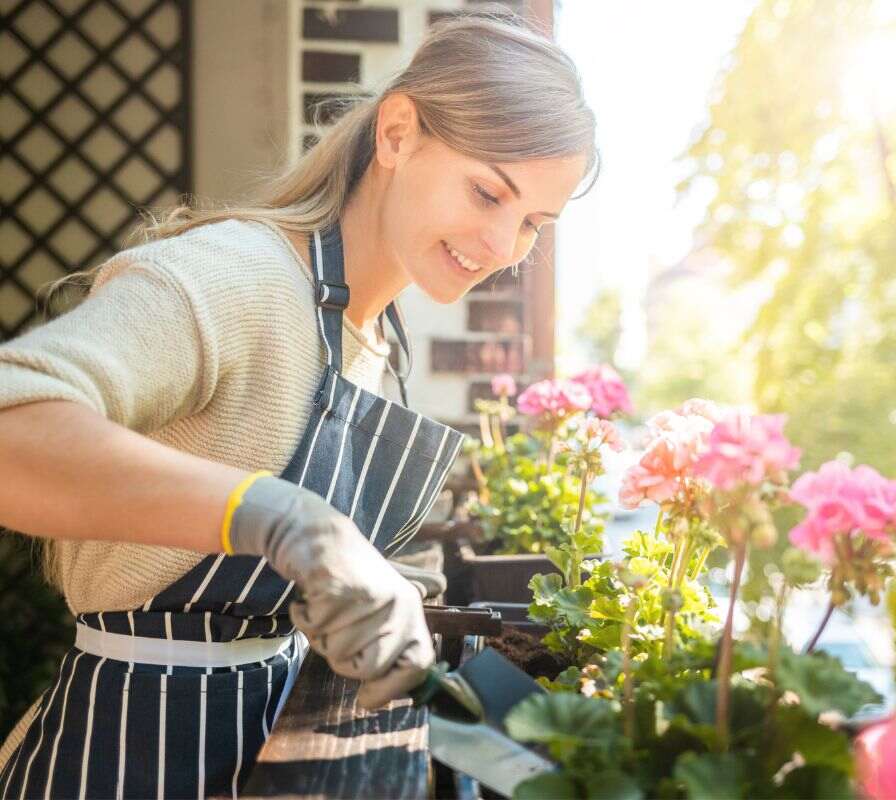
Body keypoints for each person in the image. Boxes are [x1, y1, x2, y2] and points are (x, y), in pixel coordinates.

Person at [0, 9, 596, 798]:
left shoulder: (376, 333)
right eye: (488, 192)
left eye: (533, 224)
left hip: (269, 744)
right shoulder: (236, 277)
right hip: (127, 757)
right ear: (396, 134)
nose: (502, 248)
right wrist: (285, 522)